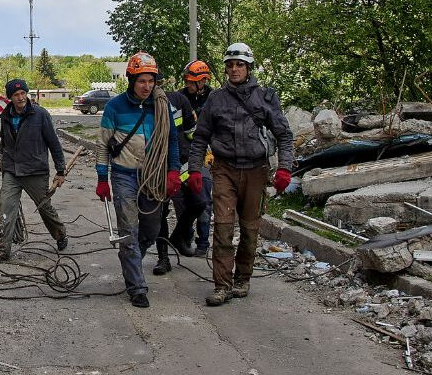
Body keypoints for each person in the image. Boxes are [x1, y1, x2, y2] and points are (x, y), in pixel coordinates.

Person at [186, 43, 293, 307]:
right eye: (230, 65)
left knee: (249, 229)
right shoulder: (216, 99)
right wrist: (195, 169)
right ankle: (222, 285)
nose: (234, 69)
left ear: (248, 68)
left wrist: (284, 168)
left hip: (256, 171)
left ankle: (242, 278)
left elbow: (284, 135)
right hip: (224, 170)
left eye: (239, 65)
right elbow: (200, 137)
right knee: (222, 228)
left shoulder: (265, 97)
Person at [95, 52, 181, 308]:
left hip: (152, 176)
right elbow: (102, 145)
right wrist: (102, 178)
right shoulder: (114, 107)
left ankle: (130, 261)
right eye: (142, 81)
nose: (147, 86)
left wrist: (173, 171)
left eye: (151, 81)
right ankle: (137, 287)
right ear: (131, 80)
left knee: (151, 230)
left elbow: (172, 140)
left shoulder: (162, 106)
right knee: (128, 232)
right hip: (124, 175)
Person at [0, 78, 69, 261]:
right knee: (6, 208)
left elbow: (54, 144)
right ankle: (2, 249)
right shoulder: (6, 117)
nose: (21, 97)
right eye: (16, 95)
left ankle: (60, 233)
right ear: (10, 98)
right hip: (12, 171)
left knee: (44, 207)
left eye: (23, 93)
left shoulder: (40, 114)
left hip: (35, 170)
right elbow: (4, 142)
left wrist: (60, 171)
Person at [170, 60, 215, 258]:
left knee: (203, 200)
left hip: (204, 155)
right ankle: (184, 236)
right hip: (181, 157)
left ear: (203, 81)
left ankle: (203, 242)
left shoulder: (215, 98)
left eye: (191, 81)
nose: (187, 84)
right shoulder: (178, 99)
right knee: (181, 201)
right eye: (186, 80)